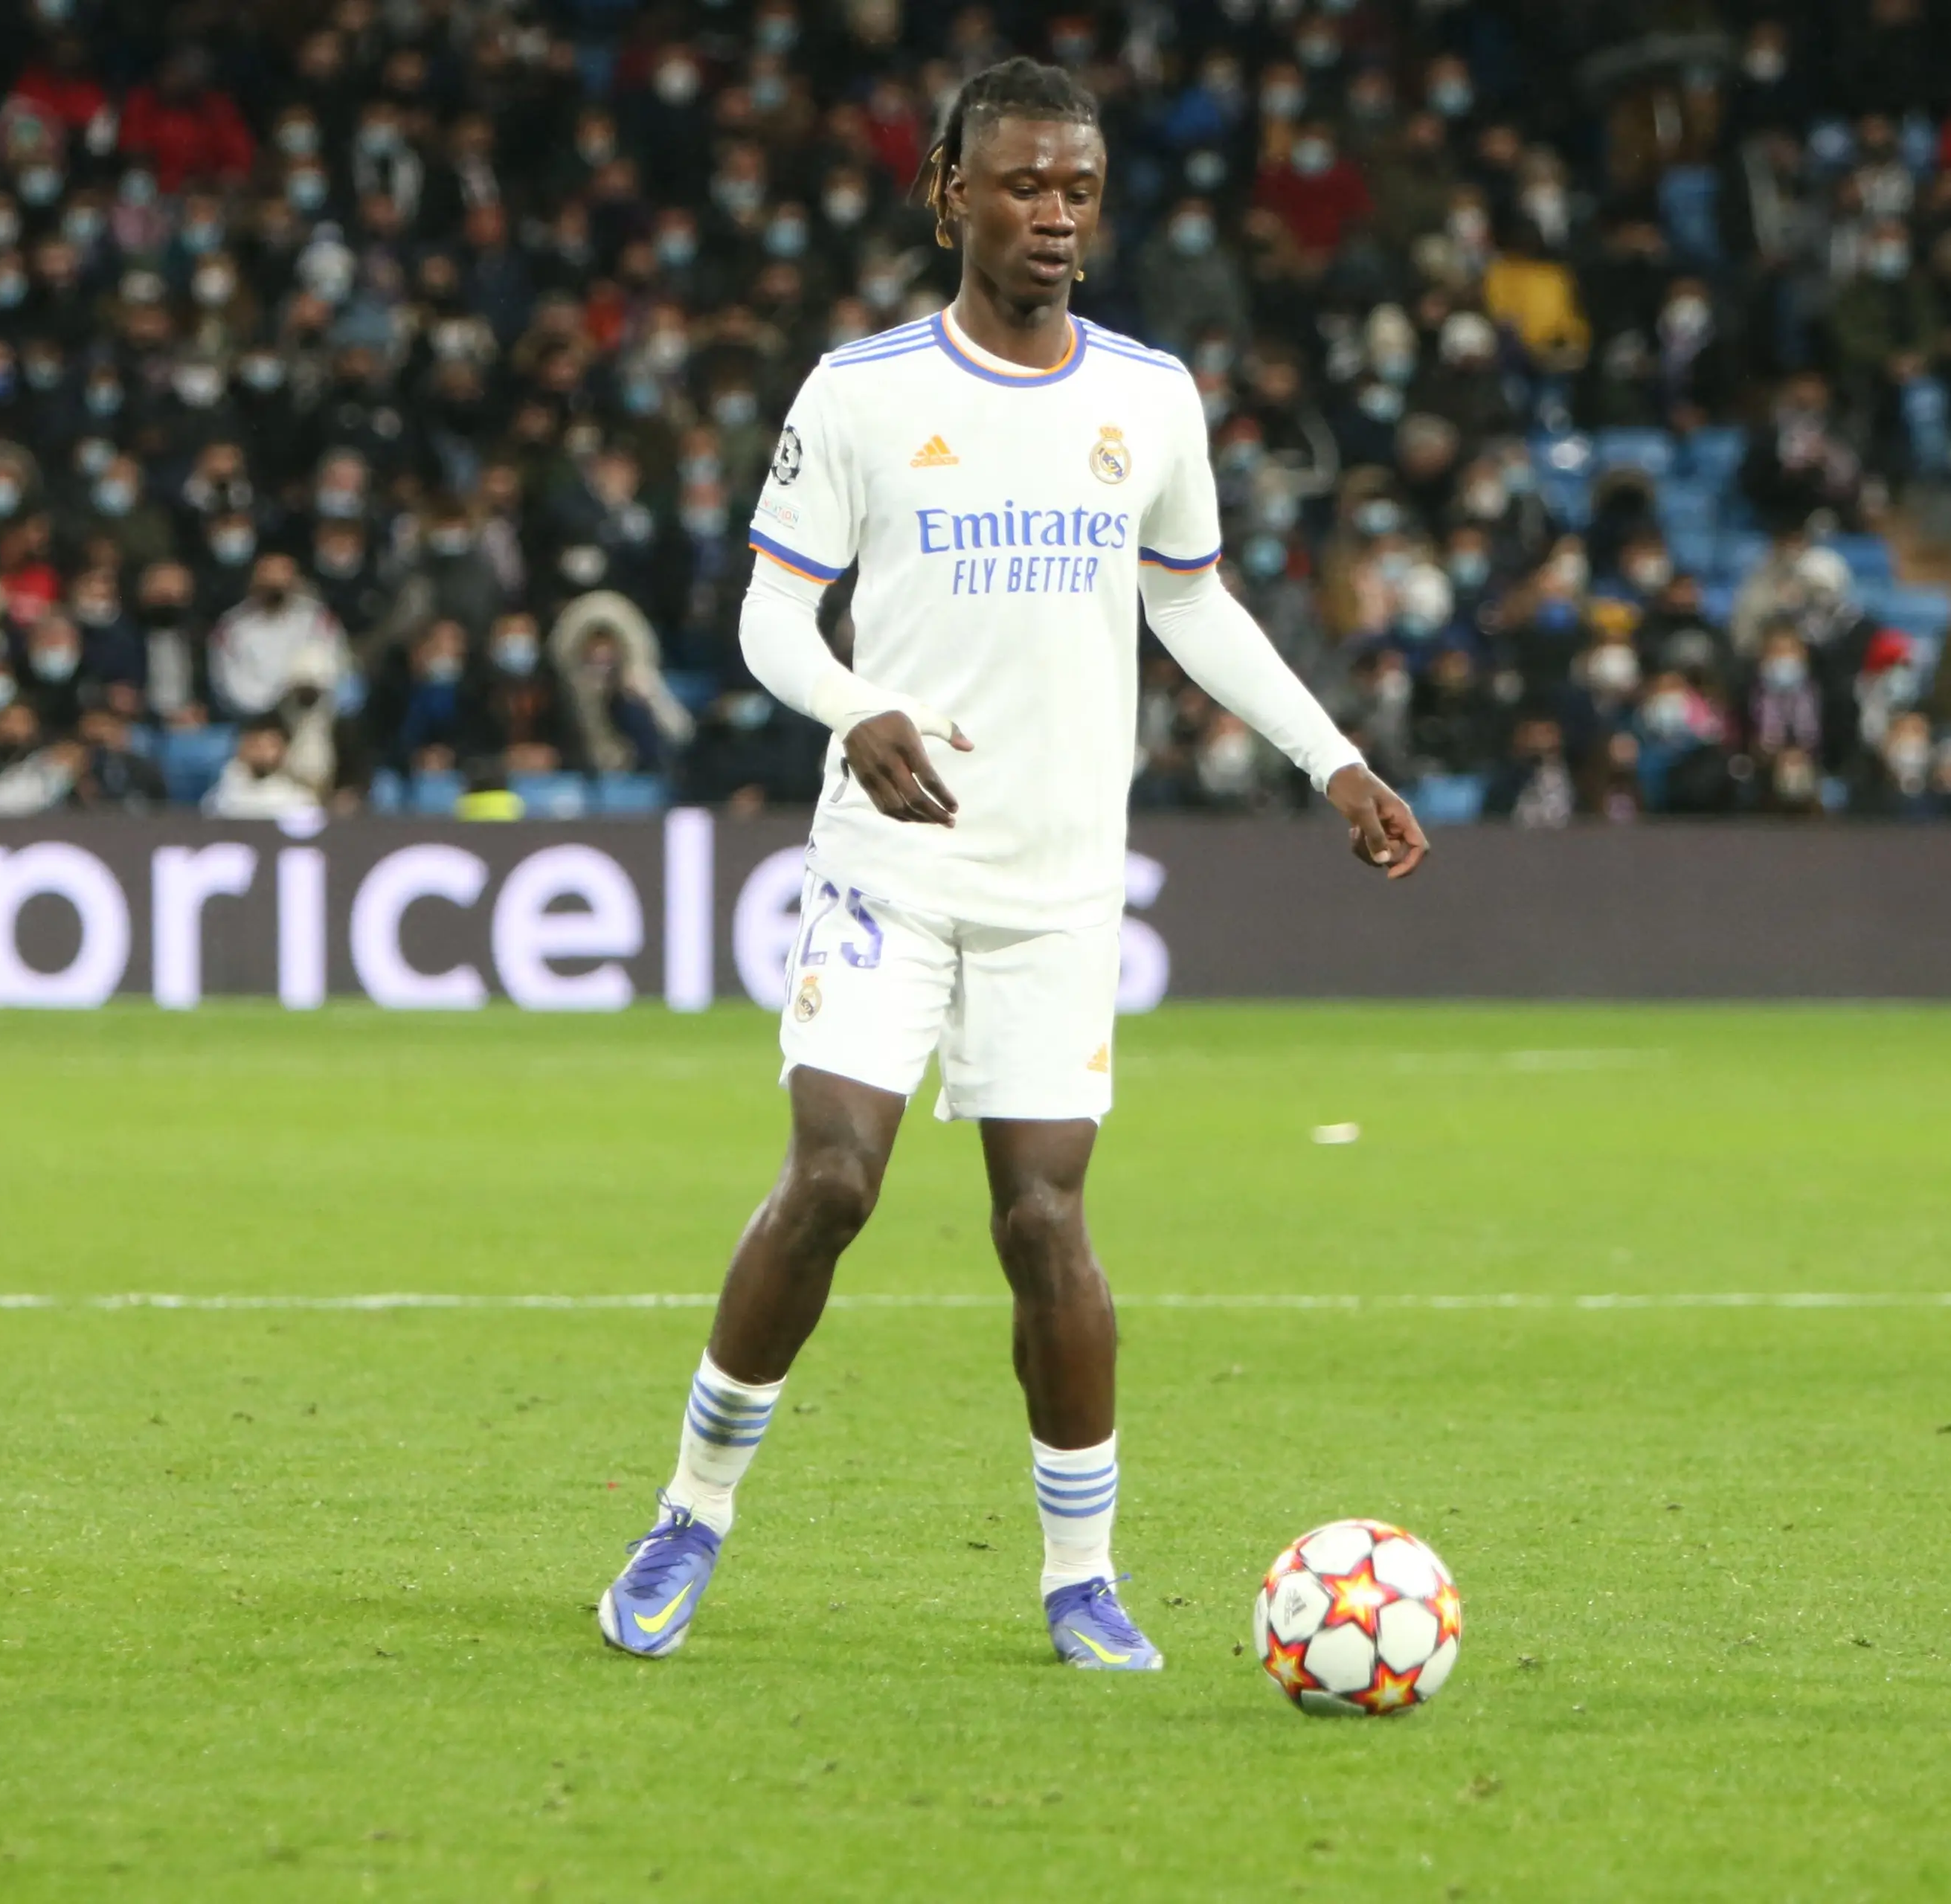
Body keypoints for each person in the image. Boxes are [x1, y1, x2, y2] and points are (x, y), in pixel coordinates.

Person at [597, 60, 1426, 1674]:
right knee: (832, 1180)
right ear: (947, 192)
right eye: (1024, 184)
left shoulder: (1152, 397)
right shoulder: (859, 391)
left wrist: (1330, 753)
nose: (1054, 215)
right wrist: (856, 708)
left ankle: (1081, 1575)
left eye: (1079, 190)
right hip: (888, 868)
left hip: (1058, 888)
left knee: (1046, 1221)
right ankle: (691, 1512)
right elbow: (772, 615)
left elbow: (1189, 600)